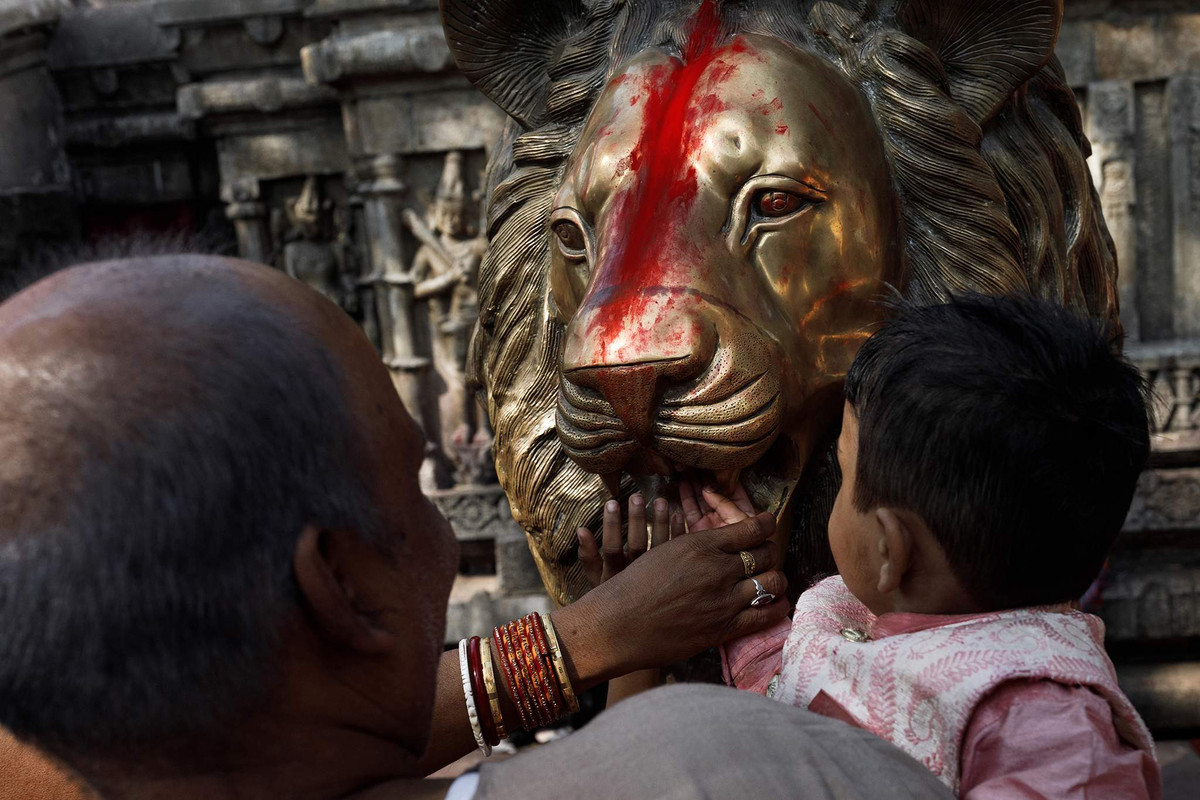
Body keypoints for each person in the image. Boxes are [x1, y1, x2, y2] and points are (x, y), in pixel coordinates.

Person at [0, 255, 954, 800]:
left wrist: (616, 651)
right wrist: (591, 646)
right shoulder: (741, 775)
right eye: (413, 484)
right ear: (339, 583)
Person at [697, 296, 1161, 798]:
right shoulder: (869, 612)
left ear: (891, 551)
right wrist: (748, 594)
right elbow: (790, 691)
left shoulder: (1049, 726)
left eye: (845, 473)